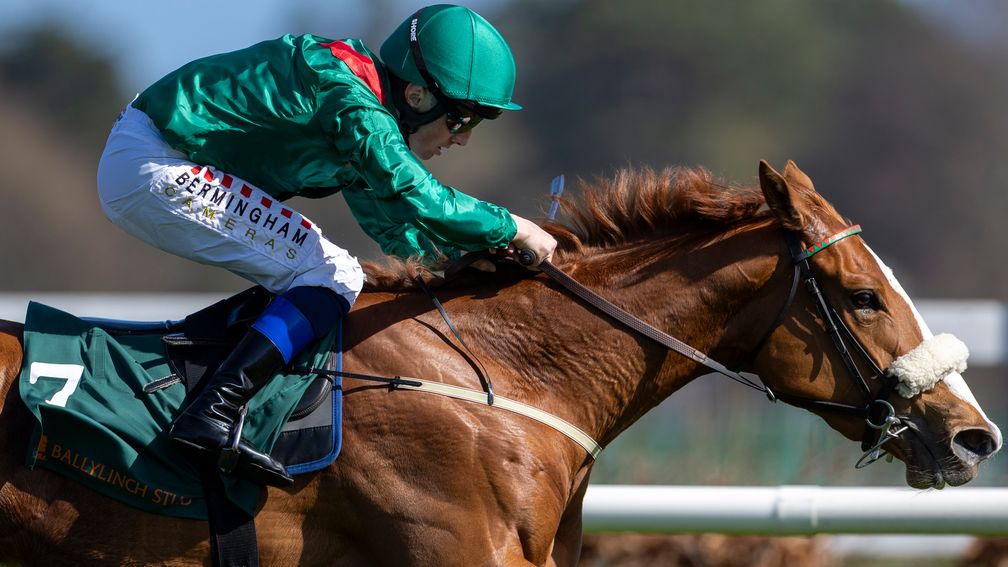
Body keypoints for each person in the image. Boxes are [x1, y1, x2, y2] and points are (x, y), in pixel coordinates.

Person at [96, 4, 557, 488]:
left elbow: (394, 223)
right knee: (333, 272)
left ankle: (216, 398)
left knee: (316, 270)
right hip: (158, 164)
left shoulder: (365, 109)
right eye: (462, 121)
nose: (462, 140)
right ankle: (213, 410)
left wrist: (458, 263)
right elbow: (417, 195)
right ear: (418, 96)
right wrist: (511, 226)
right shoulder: (349, 96)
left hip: (156, 161)